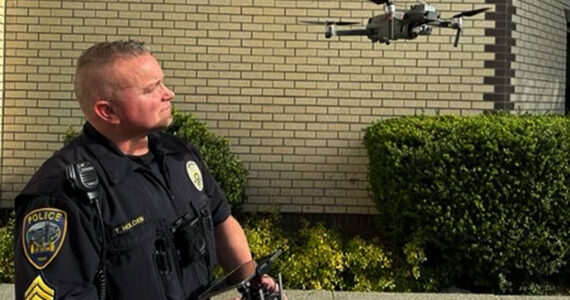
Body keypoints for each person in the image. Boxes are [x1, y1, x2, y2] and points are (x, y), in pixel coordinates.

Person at [14, 40, 280, 300]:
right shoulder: (61, 195)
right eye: (151, 89)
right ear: (107, 111)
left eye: (162, 82)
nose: (168, 93)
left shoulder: (179, 155)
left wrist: (251, 280)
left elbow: (221, 219)